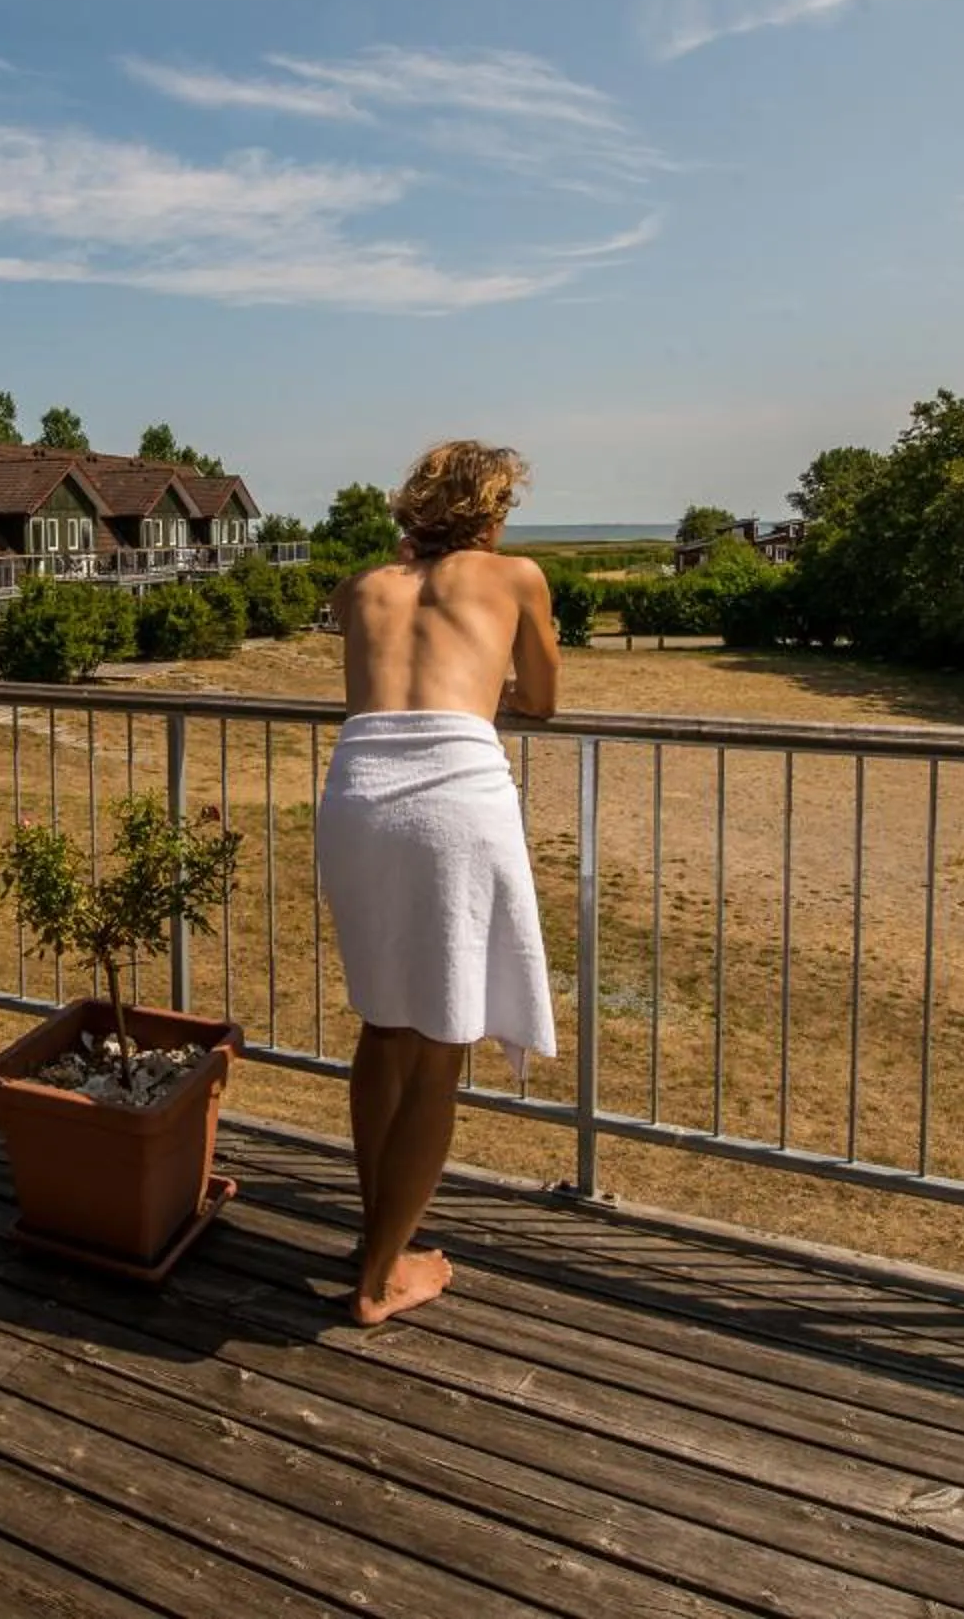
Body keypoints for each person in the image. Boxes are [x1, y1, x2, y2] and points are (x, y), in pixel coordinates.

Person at [315, 441, 559, 1325]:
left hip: (360, 797)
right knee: (440, 1046)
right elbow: (541, 696)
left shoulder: (361, 589)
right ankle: (381, 1280)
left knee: (385, 1027)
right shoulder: (516, 578)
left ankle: (379, 1233)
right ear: (491, 512)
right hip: (455, 801)